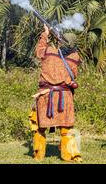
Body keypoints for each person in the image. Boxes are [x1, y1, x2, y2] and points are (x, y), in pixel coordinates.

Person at [30, 24, 82, 162]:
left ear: (59, 41)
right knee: (66, 129)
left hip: (45, 96)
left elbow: (39, 50)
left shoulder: (48, 51)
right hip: (65, 96)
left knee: (40, 128)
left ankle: (38, 156)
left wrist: (46, 33)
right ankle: (68, 156)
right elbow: (74, 73)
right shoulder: (75, 57)